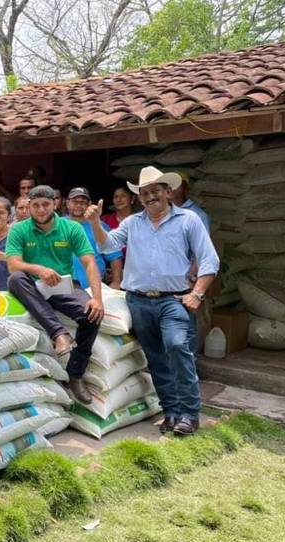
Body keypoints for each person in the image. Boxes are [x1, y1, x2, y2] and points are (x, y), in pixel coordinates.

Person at [88, 166, 220, 436]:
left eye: (155, 191)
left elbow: (209, 259)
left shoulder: (188, 220)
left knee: (177, 347)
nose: (150, 197)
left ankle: (190, 413)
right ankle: (170, 411)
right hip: (139, 301)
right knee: (156, 358)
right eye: (144, 193)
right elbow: (108, 245)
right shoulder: (133, 223)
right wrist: (95, 223)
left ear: (168, 192)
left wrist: (197, 293)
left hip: (174, 300)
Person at [6, 185, 104, 404]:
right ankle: (59, 334)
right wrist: (39, 270)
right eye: (36, 205)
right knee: (16, 278)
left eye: (45, 204)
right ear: (29, 206)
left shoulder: (71, 228)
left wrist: (97, 298)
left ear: (55, 204)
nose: (41, 210)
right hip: (31, 286)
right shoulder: (19, 229)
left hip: (63, 286)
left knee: (93, 314)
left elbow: (89, 262)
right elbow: (13, 265)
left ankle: (76, 374)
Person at [65, 187, 123, 290]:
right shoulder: (57, 225)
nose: (78, 205)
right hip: (63, 290)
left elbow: (115, 256)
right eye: (75, 202)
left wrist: (116, 282)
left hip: (94, 289)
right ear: (67, 203)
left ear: (89, 204)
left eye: (83, 202)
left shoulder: (99, 226)